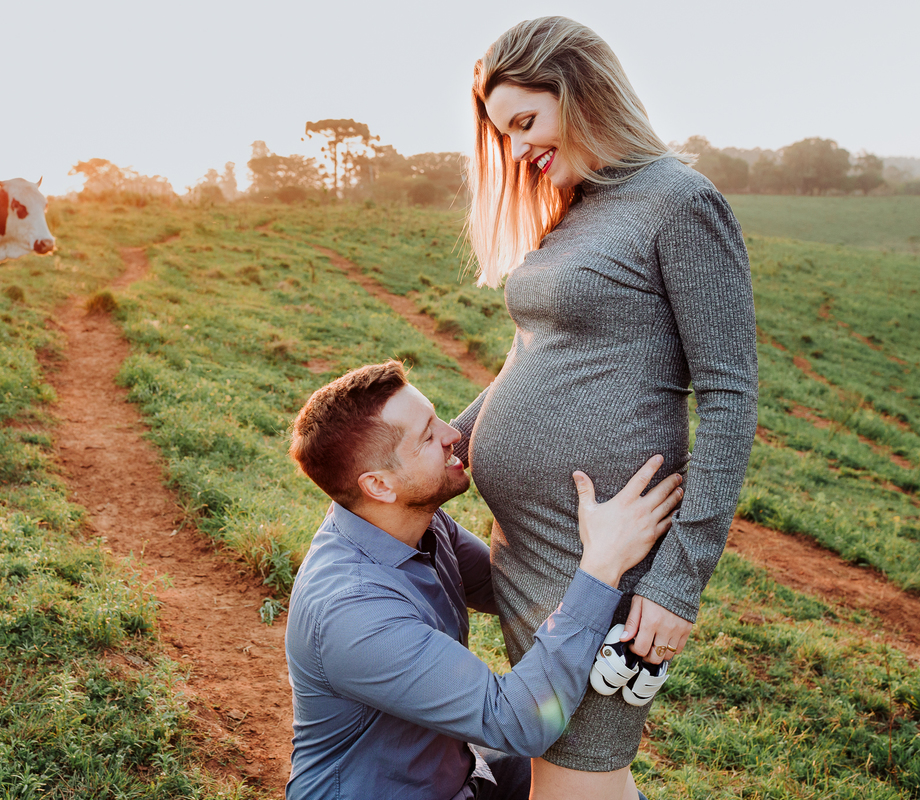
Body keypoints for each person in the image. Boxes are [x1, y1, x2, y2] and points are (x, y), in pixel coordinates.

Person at [455, 16, 759, 799]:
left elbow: (729, 396)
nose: (518, 151)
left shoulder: (679, 202)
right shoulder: (577, 208)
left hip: (598, 563)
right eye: (505, 133)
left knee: (575, 775)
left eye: (526, 122)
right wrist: (444, 446)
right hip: (532, 554)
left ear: (581, 90)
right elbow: (538, 354)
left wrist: (675, 584)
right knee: (573, 776)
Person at [285, 361, 682, 799]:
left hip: (453, 772)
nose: (453, 434)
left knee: (600, 786)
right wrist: (602, 566)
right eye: (427, 436)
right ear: (379, 485)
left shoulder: (414, 524)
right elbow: (519, 722)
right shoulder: (354, 613)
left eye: (434, 416)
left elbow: (510, 586)